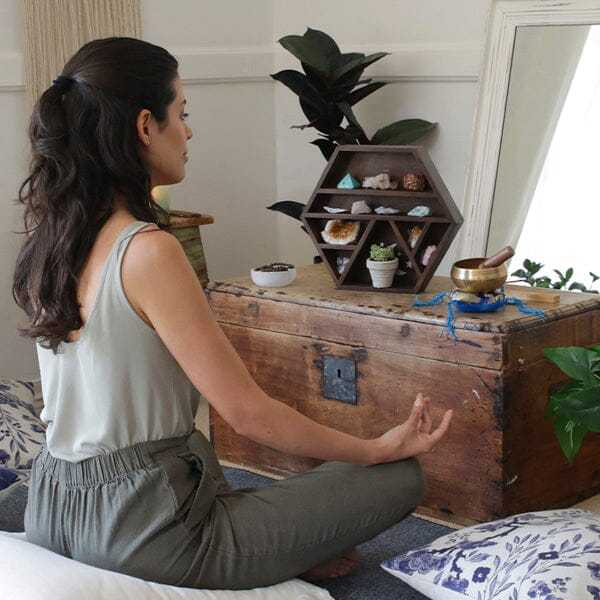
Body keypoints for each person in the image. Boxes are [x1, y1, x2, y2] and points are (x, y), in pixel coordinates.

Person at [12, 37, 453, 590]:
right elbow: (249, 416)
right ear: (145, 126)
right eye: (182, 113)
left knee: (271, 492)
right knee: (398, 477)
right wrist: (376, 449)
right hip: (148, 535)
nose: (189, 131)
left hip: (53, 508)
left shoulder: (50, 240)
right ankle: (285, 548)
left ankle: (281, 543)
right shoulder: (148, 251)